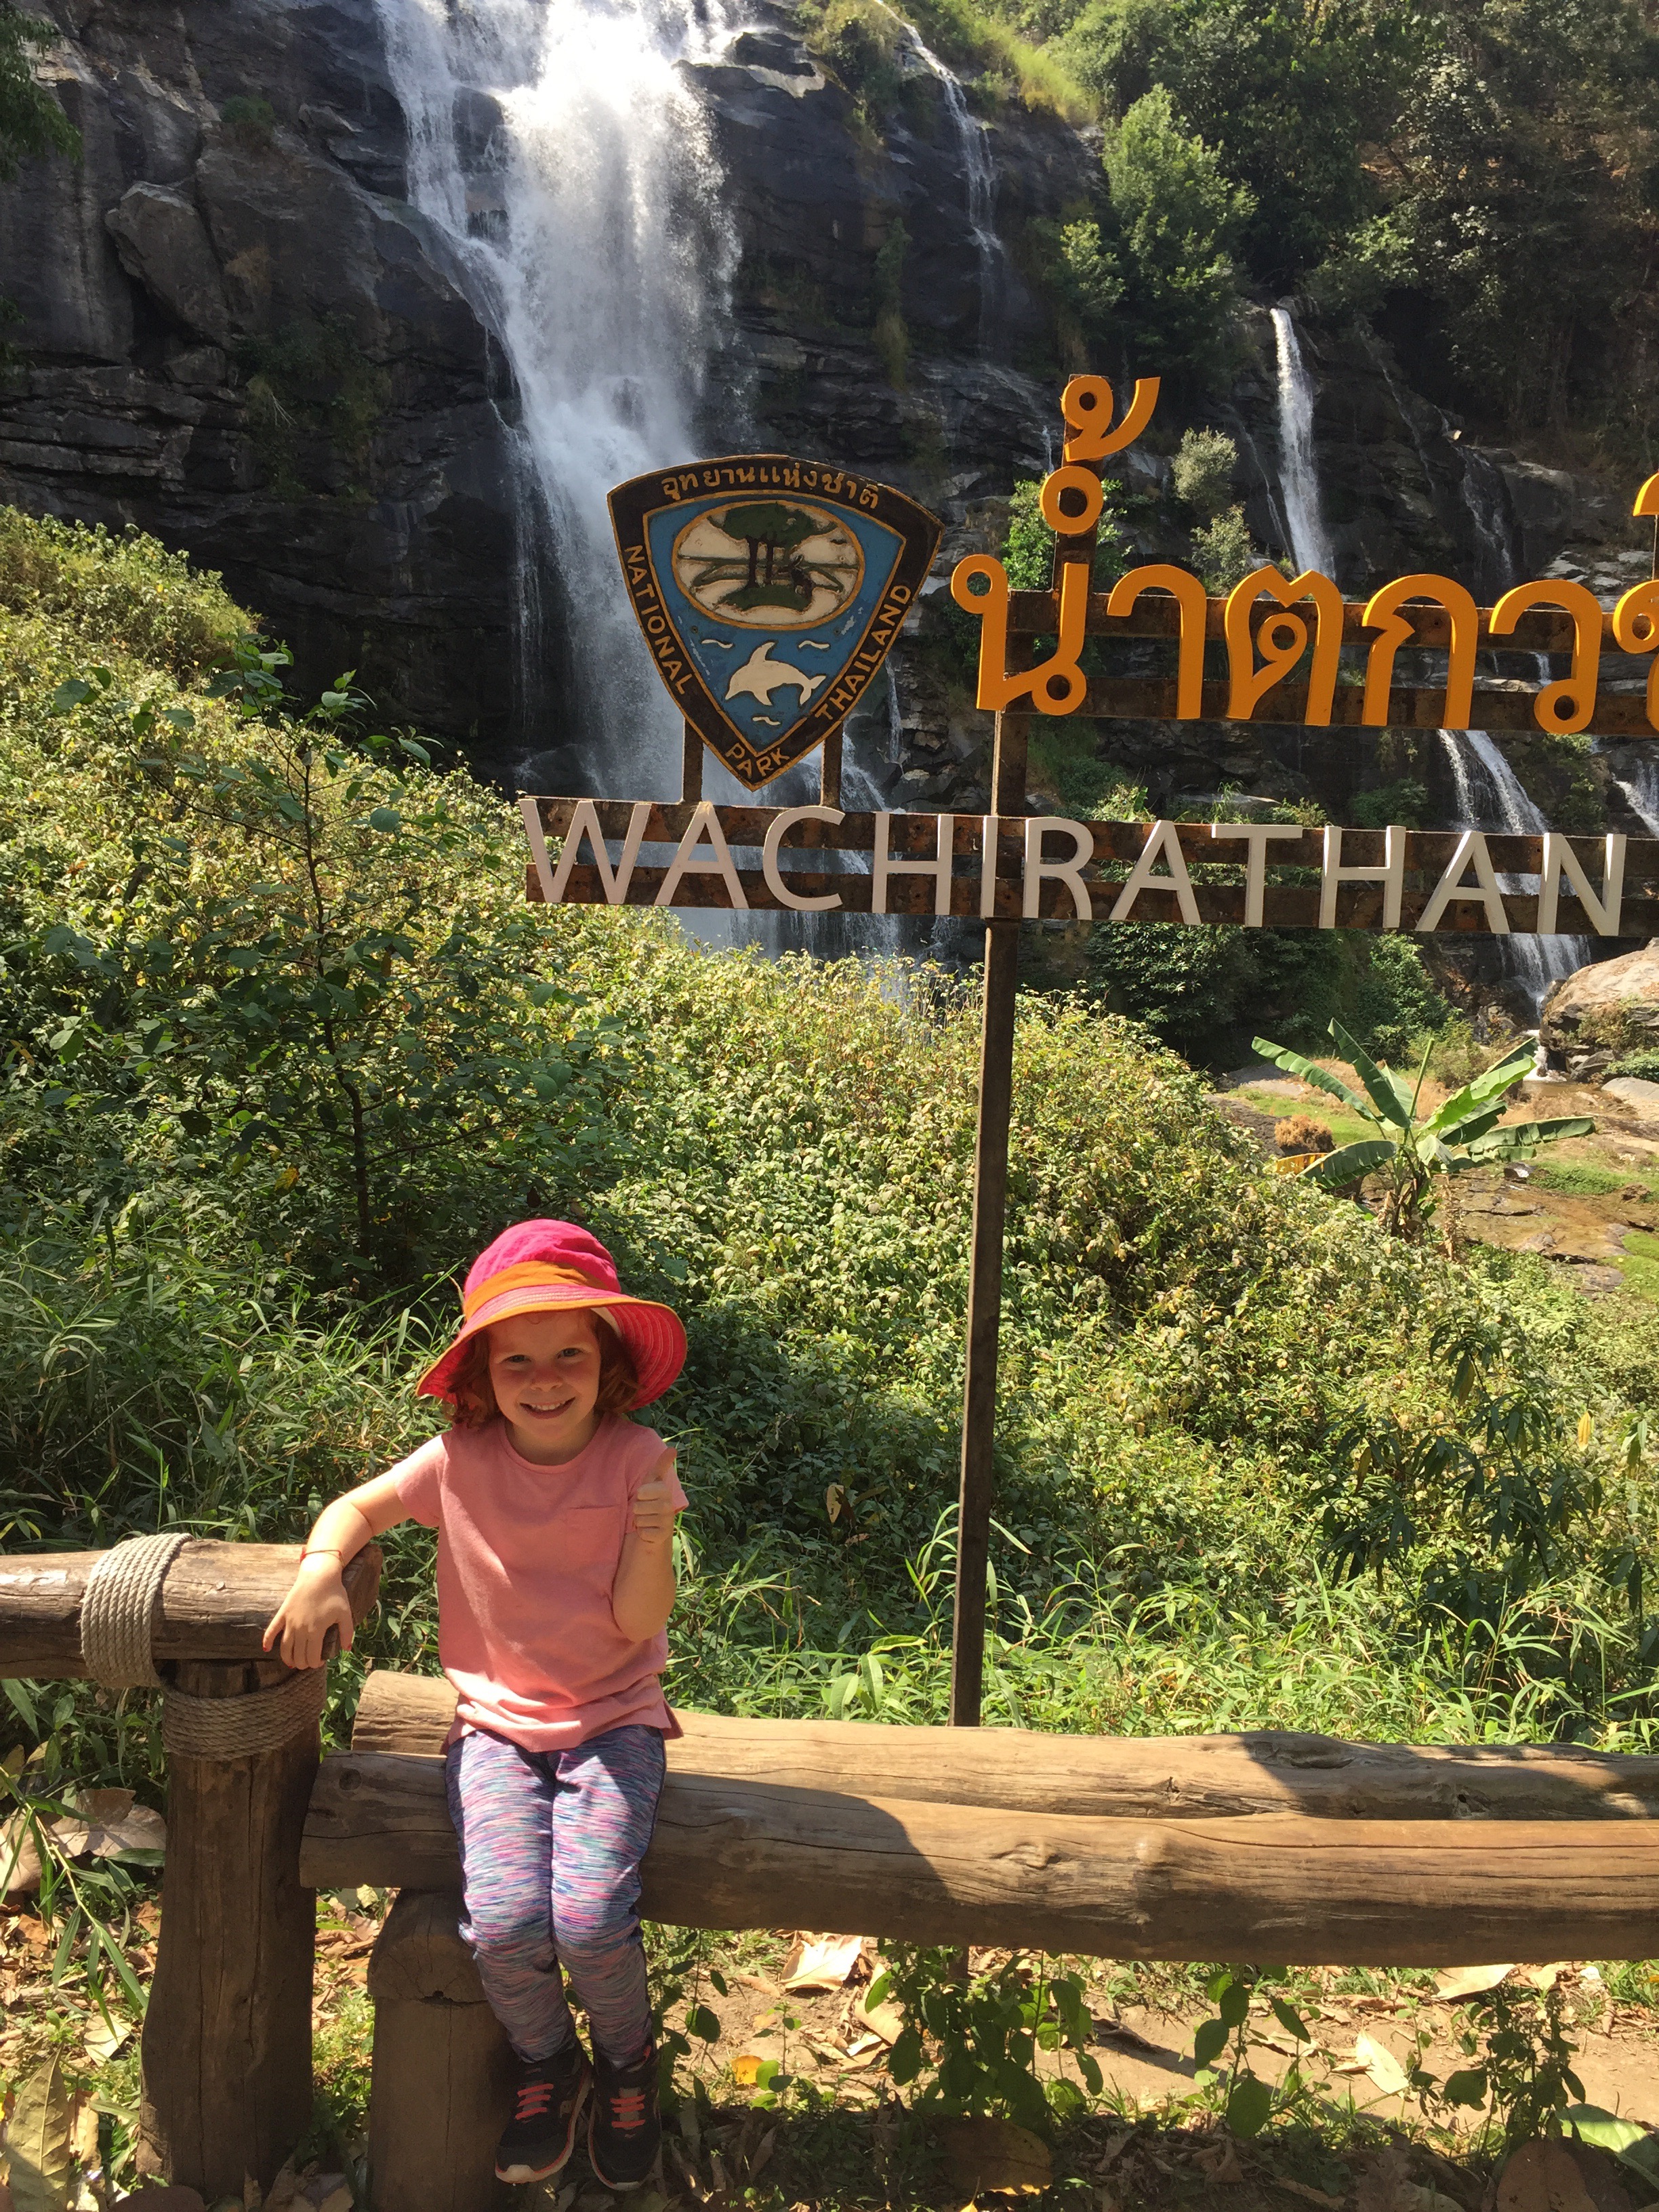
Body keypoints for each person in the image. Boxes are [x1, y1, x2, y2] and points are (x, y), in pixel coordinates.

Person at [264, 1219, 689, 2194]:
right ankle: (549, 2059)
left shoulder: (637, 1459)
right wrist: (322, 1568)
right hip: (495, 1728)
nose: (545, 1380)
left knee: (589, 1918)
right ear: (483, 1375)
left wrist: (652, 1532)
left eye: (569, 1353)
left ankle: (628, 2064)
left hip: (614, 1720)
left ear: (607, 1360)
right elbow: (358, 1508)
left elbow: (637, 1622)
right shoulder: (457, 1460)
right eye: (517, 1361)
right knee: (500, 1923)